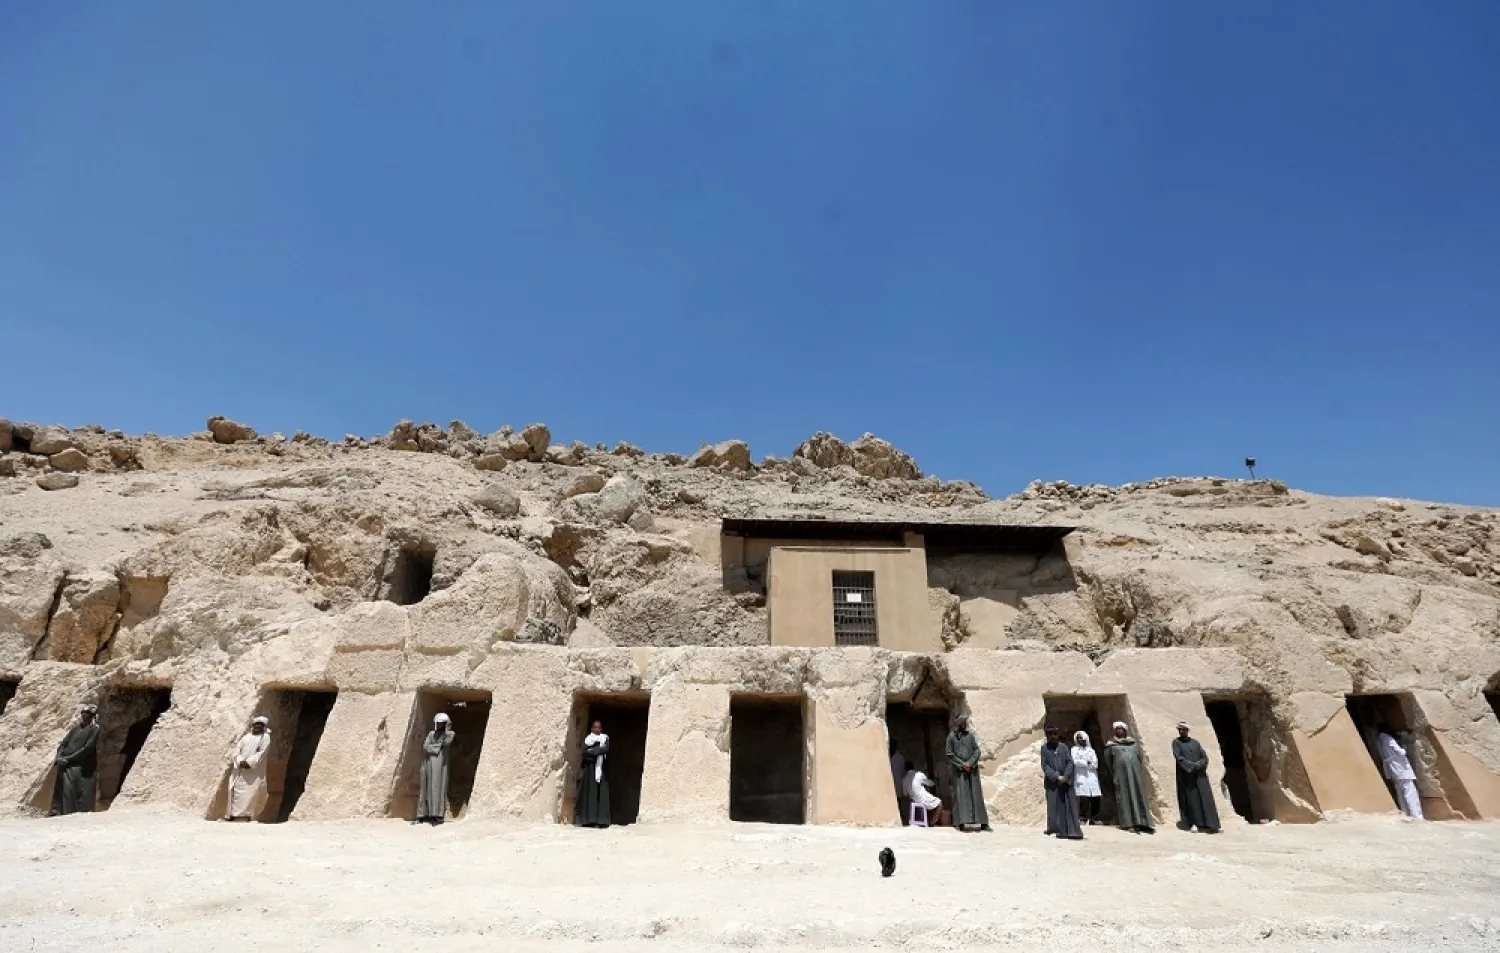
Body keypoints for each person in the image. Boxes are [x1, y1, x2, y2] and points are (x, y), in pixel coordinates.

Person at [49, 703, 100, 816]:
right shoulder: (75, 729)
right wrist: (59, 757)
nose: (84, 715)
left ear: (92, 716)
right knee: (61, 789)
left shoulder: (94, 729)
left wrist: (69, 759)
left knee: (73, 789)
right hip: (65, 762)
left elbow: (87, 748)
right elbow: (63, 744)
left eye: (87, 713)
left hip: (80, 765)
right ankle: (57, 811)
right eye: (83, 713)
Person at [1103, 721, 1155, 833]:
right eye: (1117, 729)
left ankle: (1144, 822)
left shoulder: (1134, 744)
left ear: (1125, 730)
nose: (1119, 731)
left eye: (1121, 729)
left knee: (1139, 795)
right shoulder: (1111, 746)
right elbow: (1108, 763)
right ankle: (1128, 824)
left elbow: (1139, 758)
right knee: (1125, 797)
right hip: (1121, 776)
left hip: (1135, 775)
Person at [1171, 721, 1221, 833]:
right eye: (1180, 729)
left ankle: (1211, 824)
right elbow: (1179, 758)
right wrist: (1192, 766)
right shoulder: (1176, 743)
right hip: (1187, 776)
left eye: (1183, 729)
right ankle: (1194, 823)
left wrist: (1201, 764)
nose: (1181, 731)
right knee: (1192, 800)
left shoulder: (1196, 743)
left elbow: (1204, 756)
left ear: (1188, 730)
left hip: (1200, 775)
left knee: (1206, 798)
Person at [945, 715, 990, 832]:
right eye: (964, 723)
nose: (966, 725)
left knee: (976, 796)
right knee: (961, 796)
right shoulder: (951, 737)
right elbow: (949, 753)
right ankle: (960, 823)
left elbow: (977, 750)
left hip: (972, 769)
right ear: (959, 725)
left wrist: (970, 763)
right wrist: (962, 764)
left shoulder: (970, 736)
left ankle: (983, 823)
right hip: (959, 771)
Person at [223, 715, 272, 822]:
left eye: (260, 724)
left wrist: (249, 763)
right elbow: (237, 750)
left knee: (252, 793)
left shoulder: (265, 738)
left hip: (254, 773)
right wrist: (240, 761)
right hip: (240, 770)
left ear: (264, 726)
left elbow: (262, 753)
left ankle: (248, 817)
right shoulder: (246, 737)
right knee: (235, 791)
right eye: (256, 724)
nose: (258, 726)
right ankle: (232, 815)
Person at [1041, 725, 1084, 839]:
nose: (1053, 736)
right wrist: (1056, 776)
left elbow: (1070, 762)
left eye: (1055, 734)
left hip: (1065, 781)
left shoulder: (1063, 747)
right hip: (1052, 782)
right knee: (1053, 806)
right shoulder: (1044, 749)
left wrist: (1065, 776)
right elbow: (1045, 766)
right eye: (1050, 734)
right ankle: (1054, 828)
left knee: (1067, 806)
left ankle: (1069, 830)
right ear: (1047, 735)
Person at [413, 712, 454, 826]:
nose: (439, 725)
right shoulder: (431, 734)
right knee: (424, 788)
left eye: (442, 723)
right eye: (438, 723)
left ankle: (436, 815)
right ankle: (421, 815)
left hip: (440, 765)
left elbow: (446, 742)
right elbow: (425, 746)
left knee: (437, 788)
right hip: (427, 763)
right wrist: (438, 747)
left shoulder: (450, 734)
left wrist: (446, 731)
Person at [1377, 723, 1423, 820]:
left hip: (1391, 769)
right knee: (1410, 792)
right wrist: (1404, 747)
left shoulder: (1379, 740)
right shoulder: (1388, 739)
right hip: (1400, 768)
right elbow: (1401, 752)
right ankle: (1416, 815)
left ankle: (1405, 813)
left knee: (1400, 792)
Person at [575, 719, 611, 828]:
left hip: (601, 770)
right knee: (589, 794)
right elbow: (585, 753)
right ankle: (588, 820)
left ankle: (600, 821)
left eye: (599, 727)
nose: (597, 729)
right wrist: (595, 751)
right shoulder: (588, 740)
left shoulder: (604, 738)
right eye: (595, 727)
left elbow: (604, 749)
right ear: (591, 728)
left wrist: (592, 751)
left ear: (601, 729)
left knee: (600, 794)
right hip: (590, 770)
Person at [1071, 730, 1102, 826]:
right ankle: (1083, 818)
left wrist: (1089, 764)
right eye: (1078, 738)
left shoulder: (1091, 751)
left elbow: (1095, 763)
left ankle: (1094, 818)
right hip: (1081, 776)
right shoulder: (1074, 749)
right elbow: (1075, 761)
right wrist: (1086, 763)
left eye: (1081, 738)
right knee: (1084, 798)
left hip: (1092, 776)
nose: (1079, 740)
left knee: (1096, 797)